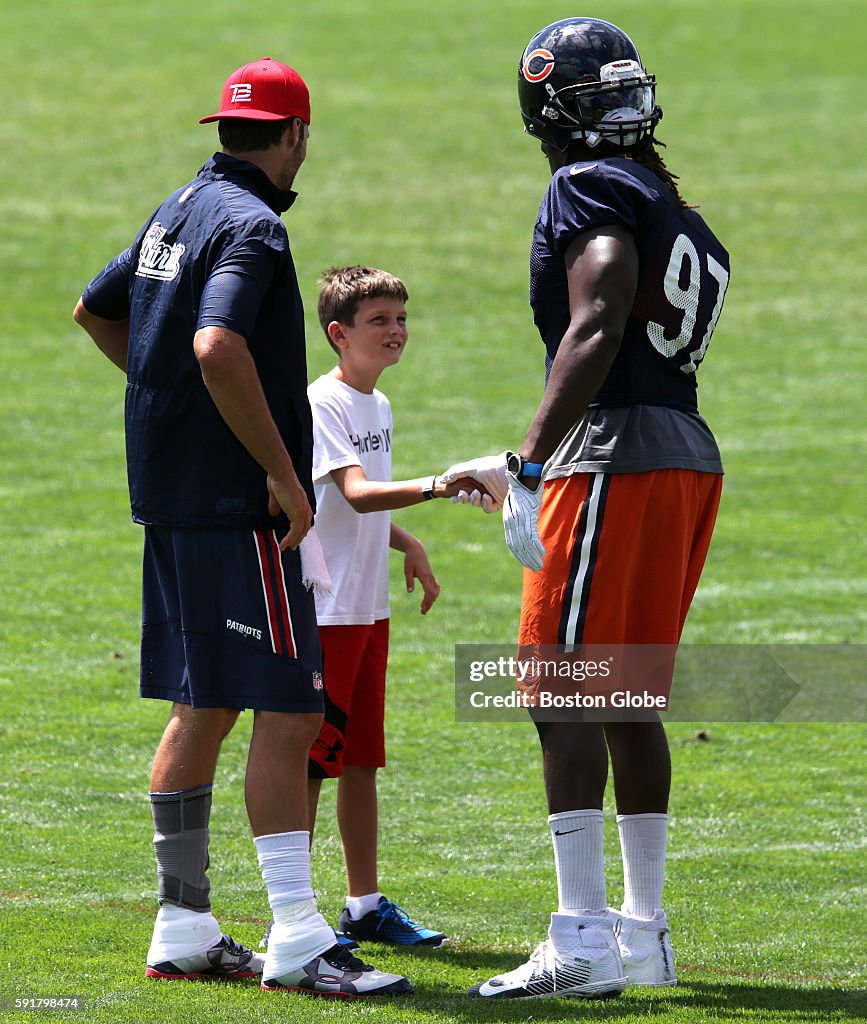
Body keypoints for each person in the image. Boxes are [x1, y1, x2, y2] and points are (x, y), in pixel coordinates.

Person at [73, 58, 410, 998]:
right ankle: (300, 937)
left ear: (225, 129)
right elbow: (215, 344)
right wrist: (272, 466)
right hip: (238, 508)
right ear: (296, 134)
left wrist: (171, 410)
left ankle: (182, 924)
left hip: (171, 496)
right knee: (293, 710)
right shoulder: (255, 228)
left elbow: (96, 312)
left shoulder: (177, 208)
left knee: (204, 707)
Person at [442, 18, 730, 1000]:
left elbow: (600, 313)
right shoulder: (675, 206)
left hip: (614, 452)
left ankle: (583, 940)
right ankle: (642, 934)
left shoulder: (587, 185)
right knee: (627, 697)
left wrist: (530, 461)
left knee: (560, 688)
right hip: (686, 453)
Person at [260, 265, 479, 952]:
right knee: (314, 763)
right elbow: (354, 493)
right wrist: (440, 486)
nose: (395, 332)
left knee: (360, 760)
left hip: (368, 609)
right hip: (327, 613)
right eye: (378, 320)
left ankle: (363, 903)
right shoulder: (323, 403)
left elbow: (357, 507)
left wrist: (407, 542)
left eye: (400, 319)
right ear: (337, 333)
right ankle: (296, 911)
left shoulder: (376, 407)